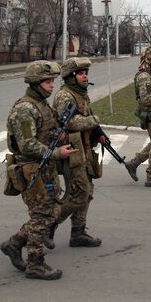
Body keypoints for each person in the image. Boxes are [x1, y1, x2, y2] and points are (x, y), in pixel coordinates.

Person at [0, 60, 78, 280]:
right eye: (47, 82)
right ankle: (35, 263)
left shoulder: (42, 105)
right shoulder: (25, 109)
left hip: (45, 169)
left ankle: (14, 244)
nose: (52, 86)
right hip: (32, 169)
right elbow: (27, 144)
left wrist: (58, 136)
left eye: (52, 81)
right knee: (41, 216)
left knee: (50, 213)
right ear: (35, 83)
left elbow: (45, 133)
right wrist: (55, 153)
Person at [46, 57, 104, 249]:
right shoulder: (65, 95)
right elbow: (70, 123)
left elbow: (86, 117)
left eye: (86, 73)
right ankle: (48, 225)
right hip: (71, 151)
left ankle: (78, 232)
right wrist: (94, 120)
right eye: (80, 73)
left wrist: (98, 133)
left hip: (84, 149)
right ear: (71, 76)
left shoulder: (81, 94)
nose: (85, 76)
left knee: (87, 191)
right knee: (79, 192)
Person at [123, 45, 151, 188]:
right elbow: (145, 99)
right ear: (150, 59)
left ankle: (134, 163)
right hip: (150, 115)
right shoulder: (145, 77)